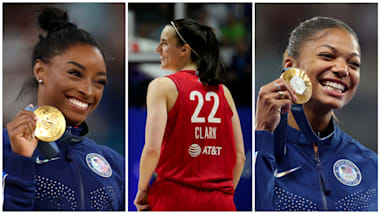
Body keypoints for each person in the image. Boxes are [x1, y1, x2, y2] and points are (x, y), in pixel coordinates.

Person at [3, 7, 125, 211]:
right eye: (75, 73)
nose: (88, 91)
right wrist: (21, 161)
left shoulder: (114, 163)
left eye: (99, 82)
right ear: (40, 71)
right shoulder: (4, 149)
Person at [255, 16, 377, 211]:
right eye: (327, 56)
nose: (342, 69)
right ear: (290, 66)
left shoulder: (371, 164)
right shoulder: (254, 147)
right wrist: (262, 133)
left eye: (354, 64)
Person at [133, 19, 246, 211]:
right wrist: (223, 195)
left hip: (173, 199)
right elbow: (240, 156)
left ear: (185, 49)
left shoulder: (162, 86)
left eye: (164, 43)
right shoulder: (223, 91)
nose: (157, 49)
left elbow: (152, 149)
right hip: (220, 202)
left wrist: (142, 190)